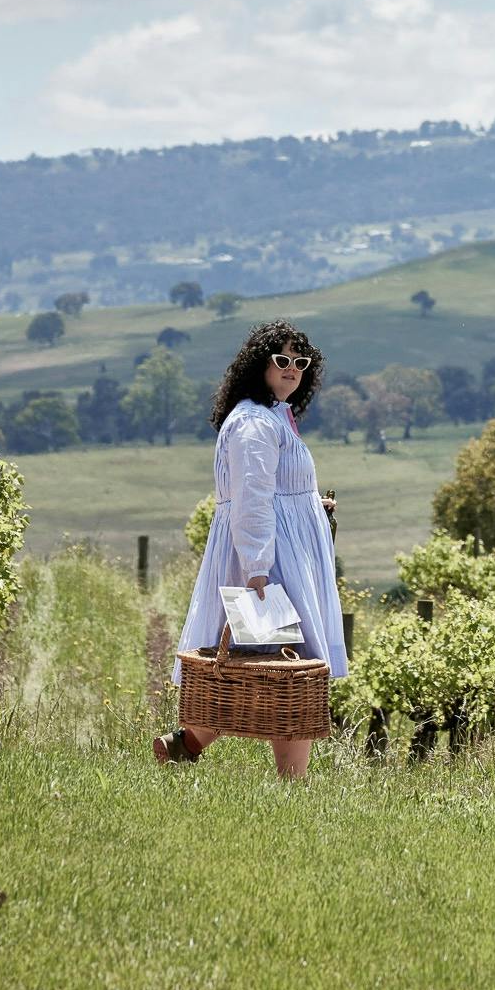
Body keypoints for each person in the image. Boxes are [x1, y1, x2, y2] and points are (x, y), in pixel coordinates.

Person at [154, 320, 347, 779]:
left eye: (301, 362)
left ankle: (187, 743)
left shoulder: (274, 415)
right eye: (282, 360)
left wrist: (309, 504)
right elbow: (252, 498)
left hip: (285, 549)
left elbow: (274, 487)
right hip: (271, 557)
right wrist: (259, 570)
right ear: (258, 364)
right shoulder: (254, 423)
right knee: (292, 670)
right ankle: (292, 783)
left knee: (271, 665)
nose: (292, 370)